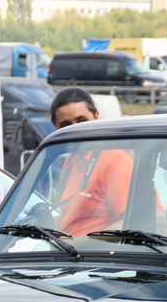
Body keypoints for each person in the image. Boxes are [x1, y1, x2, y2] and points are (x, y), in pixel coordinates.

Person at [47, 88, 133, 235]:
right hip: (71, 254)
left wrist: (77, 243)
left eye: (82, 121)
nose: (77, 130)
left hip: (98, 256)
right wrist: (45, 222)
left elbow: (130, 224)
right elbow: (76, 220)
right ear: (56, 127)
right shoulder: (70, 162)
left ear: (96, 117)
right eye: (66, 125)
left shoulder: (114, 160)